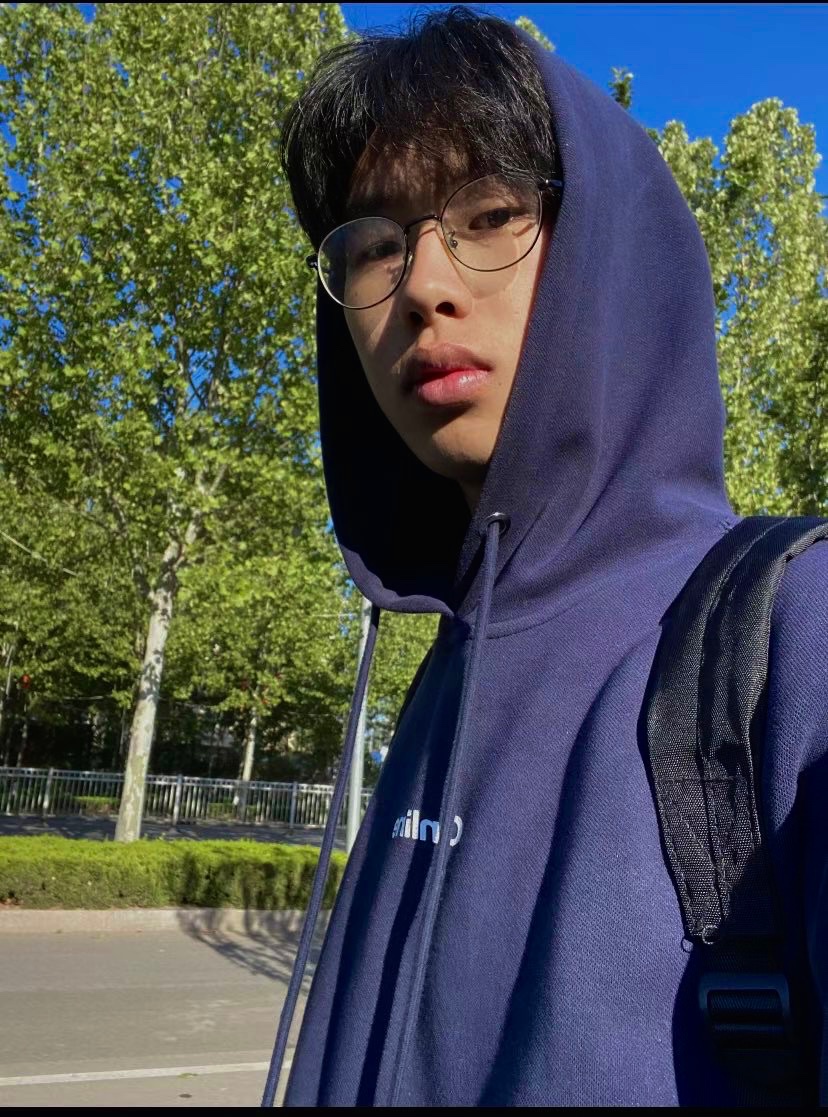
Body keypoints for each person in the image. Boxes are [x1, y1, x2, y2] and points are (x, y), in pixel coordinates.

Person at [276, 6, 828, 1106]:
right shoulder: (446, 665)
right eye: (374, 243)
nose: (422, 284)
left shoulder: (793, 630)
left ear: (607, 253)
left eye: (488, 215)